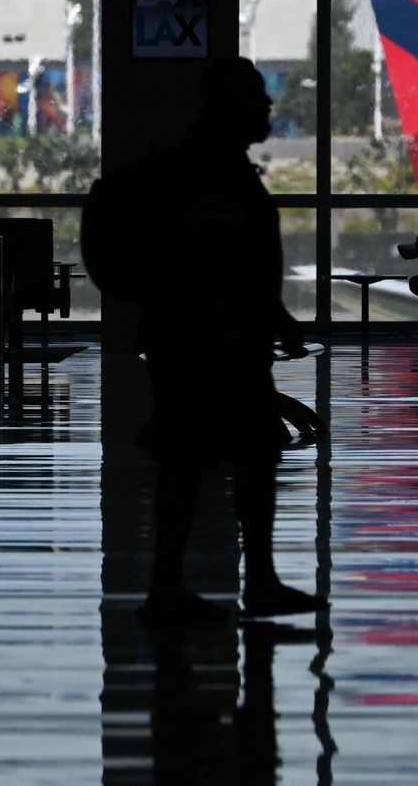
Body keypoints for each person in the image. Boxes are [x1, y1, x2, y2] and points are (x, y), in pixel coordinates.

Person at [137, 57, 326, 626]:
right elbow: (225, 261)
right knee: (224, 456)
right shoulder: (213, 173)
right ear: (231, 106)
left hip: (203, 338)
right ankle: (236, 582)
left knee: (204, 457)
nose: (268, 110)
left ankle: (175, 583)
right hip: (212, 341)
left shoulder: (203, 167)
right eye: (258, 100)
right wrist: (270, 316)